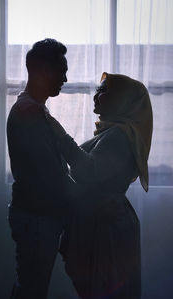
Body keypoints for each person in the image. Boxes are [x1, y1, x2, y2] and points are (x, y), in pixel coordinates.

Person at [46, 72, 153, 299]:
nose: (96, 95)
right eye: (97, 89)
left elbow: (89, 172)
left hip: (105, 226)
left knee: (102, 288)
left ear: (122, 100)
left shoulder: (119, 136)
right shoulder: (113, 133)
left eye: (104, 90)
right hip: (102, 221)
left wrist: (60, 135)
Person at [7, 38, 74, 299]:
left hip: (35, 215)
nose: (65, 79)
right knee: (32, 290)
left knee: (30, 286)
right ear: (44, 71)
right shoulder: (29, 112)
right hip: (36, 217)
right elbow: (51, 174)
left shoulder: (33, 109)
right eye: (62, 71)